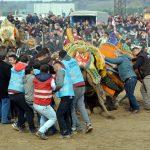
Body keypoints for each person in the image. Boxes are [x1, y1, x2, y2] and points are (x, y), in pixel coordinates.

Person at [59, 50, 93, 133]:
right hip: (82, 85)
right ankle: (88, 124)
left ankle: (75, 126)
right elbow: (84, 66)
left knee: (72, 108)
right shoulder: (74, 60)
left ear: (60, 57)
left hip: (74, 86)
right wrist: (90, 57)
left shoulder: (62, 63)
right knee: (81, 106)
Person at [8, 55, 36, 132]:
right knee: (29, 110)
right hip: (19, 92)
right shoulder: (27, 68)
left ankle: (20, 126)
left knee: (21, 110)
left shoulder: (13, 67)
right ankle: (31, 128)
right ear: (27, 61)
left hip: (10, 91)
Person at [33, 64, 56, 140]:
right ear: (48, 70)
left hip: (36, 103)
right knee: (53, 118)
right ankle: (41, 131)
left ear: (40, 70)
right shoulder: (51, 78)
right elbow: (54, 87)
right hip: (44, 104)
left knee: (44, 116)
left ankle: (41, 131)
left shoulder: (35, 77)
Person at [53, 61, 74, 138]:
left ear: (57, 66)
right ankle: (69, 131)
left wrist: (54, 90)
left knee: (59, 114)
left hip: (66, 95)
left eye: (54, 67)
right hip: (70, 95)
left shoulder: (60, 71)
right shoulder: (66, 71)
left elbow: (60, 84)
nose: (54, 70)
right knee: (65, 114)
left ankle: (64, 132)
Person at [0, 49, 11, 124]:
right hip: (4, 87)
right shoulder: (6, 66)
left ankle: (1, 117)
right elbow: (10, 77)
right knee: (5, 102)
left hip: (2, 87)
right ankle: (4, 119)